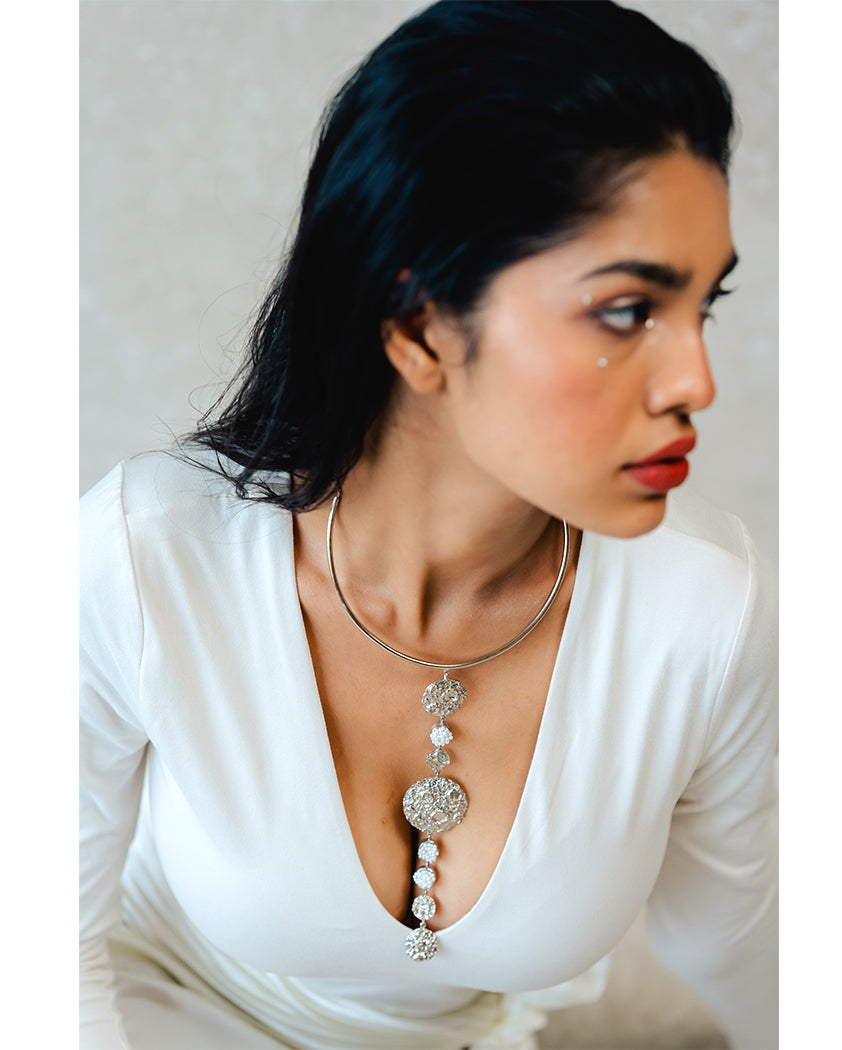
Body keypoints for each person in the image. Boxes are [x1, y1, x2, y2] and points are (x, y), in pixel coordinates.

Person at [79, 2, 777, 1048]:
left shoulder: (709, 611)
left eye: (701, 309)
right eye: (630, 311)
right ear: (419, 327)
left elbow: (741, 949)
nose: (697, 381)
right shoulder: (146, 554)